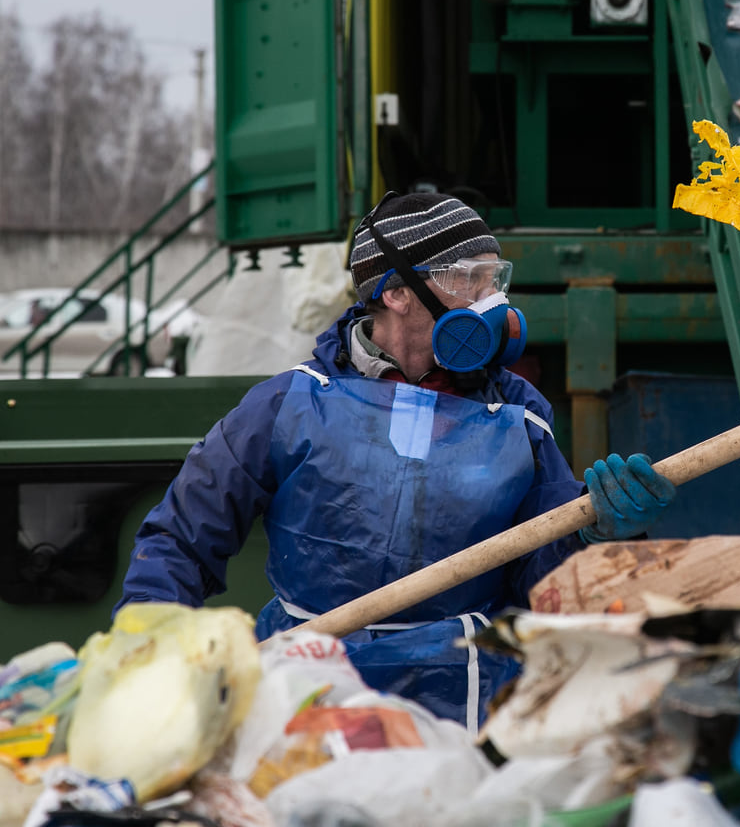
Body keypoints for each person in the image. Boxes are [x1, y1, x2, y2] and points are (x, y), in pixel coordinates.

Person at [116, 191, 677, 729]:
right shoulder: (290, 403)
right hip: (306, 687)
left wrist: (598, 535)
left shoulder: (515, 412)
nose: (493, 301)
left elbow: (541, 577)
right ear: (397, 292)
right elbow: (182, 538)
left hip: (468, 696)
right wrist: (151, 650)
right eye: (469, 279)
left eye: (494, 279)